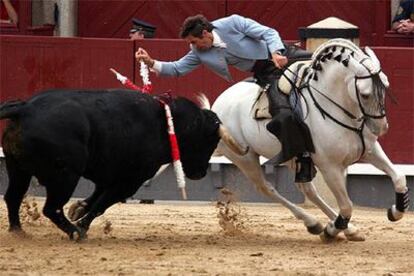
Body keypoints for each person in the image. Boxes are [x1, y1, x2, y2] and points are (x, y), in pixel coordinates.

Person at [135, 14, 316, 183]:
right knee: (282, 112)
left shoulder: (232, 23)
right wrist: (151, 62)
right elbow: (177, 68)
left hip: (286, 56)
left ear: (205, 33)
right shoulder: (199, 51)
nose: (193, 46)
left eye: (195, 41)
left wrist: (277, 52)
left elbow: (268, 32)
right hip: (267, 74)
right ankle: (303, 157)